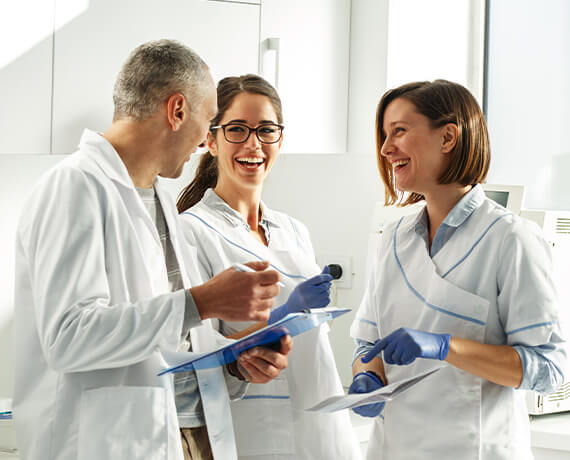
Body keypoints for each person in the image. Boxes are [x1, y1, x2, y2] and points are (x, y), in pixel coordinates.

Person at [12, 40, 293, 460]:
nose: (205, 138)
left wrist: (235, 360)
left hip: (182, 436)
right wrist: (203, 301)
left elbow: (166, 334)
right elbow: (68, 337)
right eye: (209, 118)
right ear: (177, 110)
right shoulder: (75, 186)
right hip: (102, 443)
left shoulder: (159, 197)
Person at [349, 79, 568, 460]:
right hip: (393, 449)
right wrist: (366, 375)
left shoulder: (510, 240)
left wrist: (445, 347)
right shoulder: (393, 239)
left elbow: (548, 368)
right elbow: (369, 343)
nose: (386, 148)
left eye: (398, 131)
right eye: (384, 136)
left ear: (448, 136)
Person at [176, 74, 362, 460]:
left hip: (319, 425)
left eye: (266, 130)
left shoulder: (294, 231)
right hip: (250, 432)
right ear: (210, 140)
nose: (253, 144)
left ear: (281, 138)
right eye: (237, 130)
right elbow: (195, 360)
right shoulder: (191, 232)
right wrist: (285, 313)